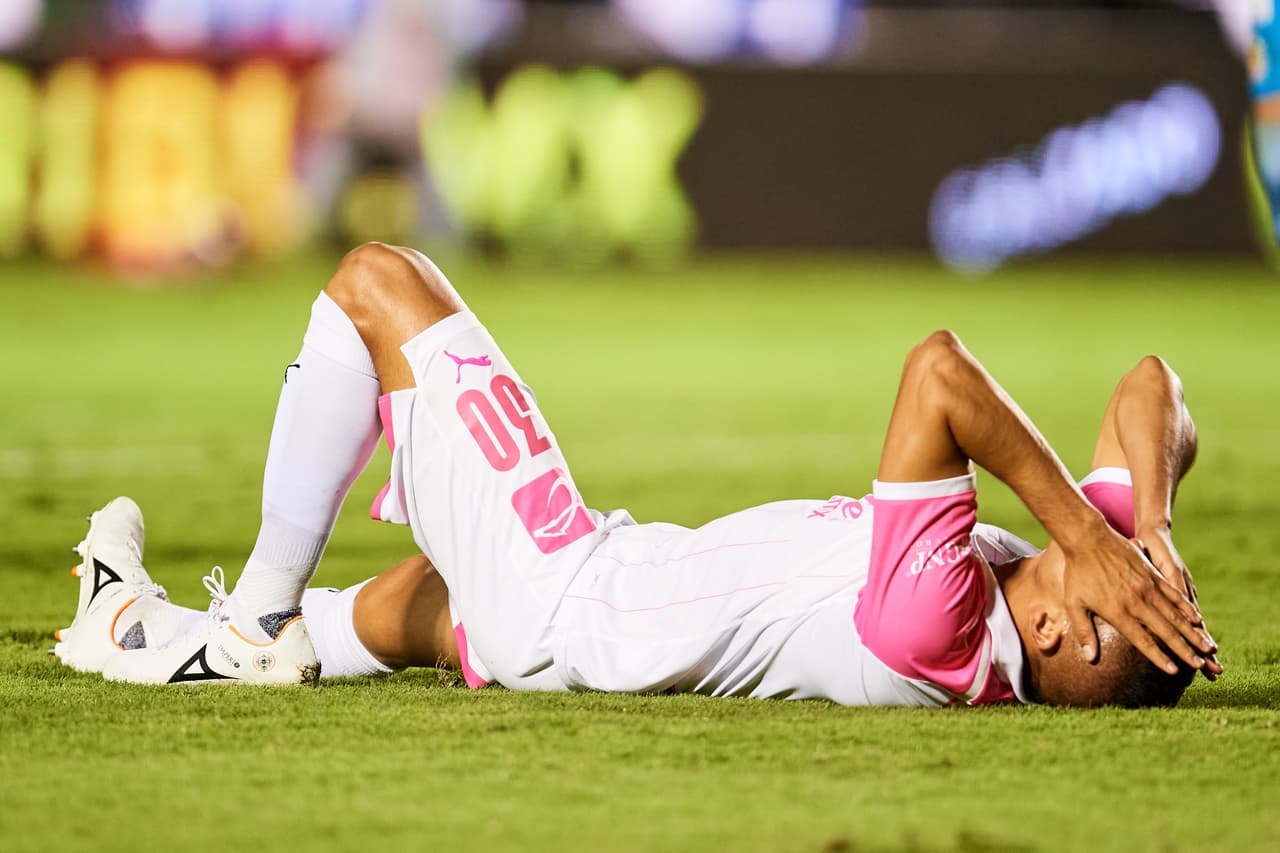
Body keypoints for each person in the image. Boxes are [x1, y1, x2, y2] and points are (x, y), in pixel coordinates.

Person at [53, 243, 1220, 706]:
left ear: (1067, 639)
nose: (1106, 562)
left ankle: (257, 619)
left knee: (379, 280)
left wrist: (1090, 530)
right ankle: (146, 630)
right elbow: (1150, 386)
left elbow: (937, 374)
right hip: (599, 591)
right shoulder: (1062, 589)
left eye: (1112, 588)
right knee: (395, 607)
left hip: (567, 594)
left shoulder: (942, 624)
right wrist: (1144, 530)